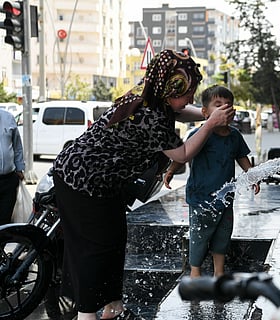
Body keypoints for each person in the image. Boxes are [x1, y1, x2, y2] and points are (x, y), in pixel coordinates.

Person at [52, 50, 234, 320]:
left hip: (106, 184)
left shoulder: (150, 97)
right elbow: (182, 154)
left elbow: (181, 111)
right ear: (171, 88)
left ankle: (114, 308)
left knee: (114, 241)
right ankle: (87, 314)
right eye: (188, 92)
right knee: (94, 250)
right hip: (81, 182)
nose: (192, 99)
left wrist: (208, 113)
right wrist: (209, 123)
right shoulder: (152, 117)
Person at [164, 85, 260, 278]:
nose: (225, 108)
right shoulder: (200, 135)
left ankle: (219, 272)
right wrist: (171, 171)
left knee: (222, 237)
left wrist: (252, 177)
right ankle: (195, 272)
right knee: (199, 237)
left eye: (229, 104)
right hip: (200, 199)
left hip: (225, 199)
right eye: (218, 104)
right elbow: (182, 154)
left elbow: (242, 158)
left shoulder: (234, 136)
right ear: (206, 112)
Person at [0, 108, 25, 225]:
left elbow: (17, 146)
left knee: (5, 221)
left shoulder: (8, 117)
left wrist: (19, 168)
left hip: (8, 179)